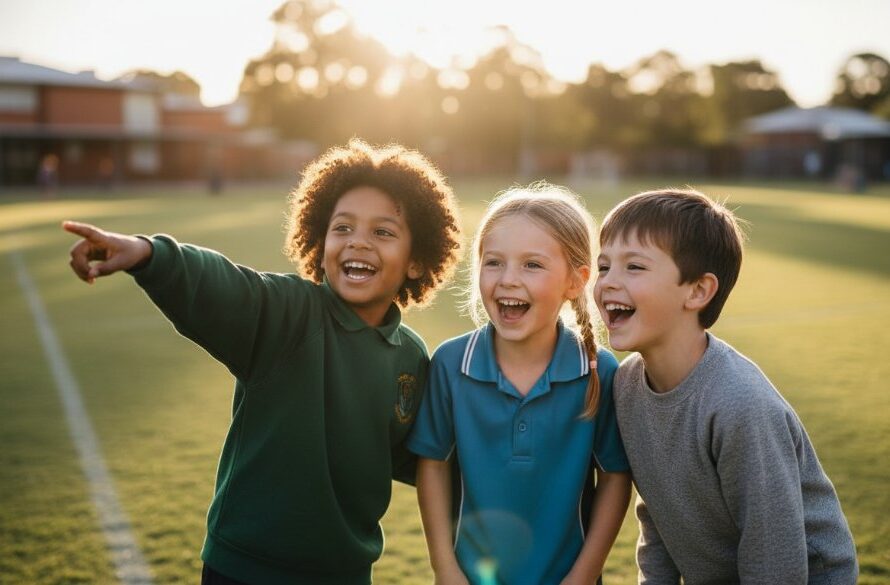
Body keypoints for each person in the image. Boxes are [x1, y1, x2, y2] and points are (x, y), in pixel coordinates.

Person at [62, 139, 462, 585]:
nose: (358, 243)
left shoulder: (410, 358)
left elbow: (418, 458)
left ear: (417, 260)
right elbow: (221, 284)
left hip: (344, 573)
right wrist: (148, 254)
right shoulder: (287, 313)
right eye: (342, 228)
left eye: (383, 232)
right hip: (244, 569)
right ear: (319, 239)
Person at [594, 188, 858, 584]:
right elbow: (658, 514)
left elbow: (774, 559)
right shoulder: (626, 386)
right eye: (603, 267)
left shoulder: (740, 404)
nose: (608, 283)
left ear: (698, 291)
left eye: (634, 267)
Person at [408, 184, 632, 585]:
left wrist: (583, 576)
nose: (508, 279)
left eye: (532, 264)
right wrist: (445, 569)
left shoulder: (600, 371)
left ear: (575, 280)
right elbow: (433, 465)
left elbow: (616, 478)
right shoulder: (450, 364)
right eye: (493, 263)